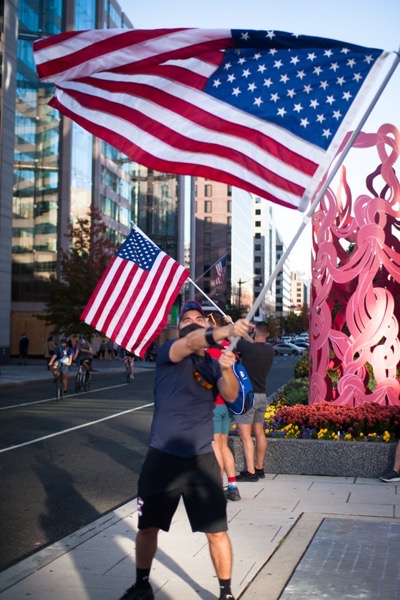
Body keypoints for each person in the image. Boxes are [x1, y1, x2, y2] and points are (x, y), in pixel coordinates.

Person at [120, 300, 252, 600]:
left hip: (201, 461)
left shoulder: (212, 365)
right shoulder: (170, 352)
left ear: (208, 323)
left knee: (216, 531)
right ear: (178, 329)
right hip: (161, 458)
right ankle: (142, 585)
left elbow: (231, 395)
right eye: (185, 319)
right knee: (148, 527)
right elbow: (192, 342)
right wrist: (227, 330)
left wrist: (227, 370)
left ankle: (226, 592)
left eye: (198, 318)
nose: (192, 322)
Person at [234, 321, 274, 482]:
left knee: (245, 435)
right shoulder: (269, 350)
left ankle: (250, 472)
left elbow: (232, 336)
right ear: (268, 334)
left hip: (248, 397)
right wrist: (248, 334)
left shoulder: (248, 348)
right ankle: (259, 468)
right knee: (259, 432)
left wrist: (231, 323)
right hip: (262, 396)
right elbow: (252, 344)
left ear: (255, 332)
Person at [207, 312, 240, 502]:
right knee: (224, 446)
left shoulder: (209, 352)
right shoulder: (230, 348)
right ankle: (233, 487)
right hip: (227, 405)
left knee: (215, 448)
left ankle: (217, 489)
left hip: (213, 404)